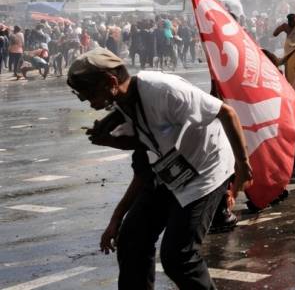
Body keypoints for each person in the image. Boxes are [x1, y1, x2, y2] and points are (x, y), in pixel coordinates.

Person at [67, 48, 253, 290]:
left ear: (110, 81)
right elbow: (143, 145)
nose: (91, 104)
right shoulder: (120, 103)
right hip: (171, 172)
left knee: (178, 257)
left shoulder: (164, 90)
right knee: (132, 240)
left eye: (90, 95)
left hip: (206, 170)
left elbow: (226, 113)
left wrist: (243, 164)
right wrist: (109, 141)